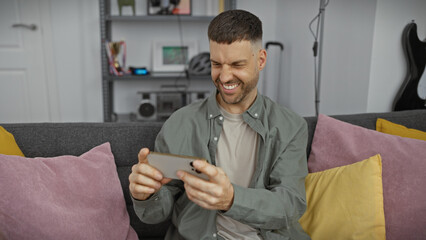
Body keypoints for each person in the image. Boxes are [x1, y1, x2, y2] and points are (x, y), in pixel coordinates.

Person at [129, 9, 311, 240]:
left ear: (261, 59)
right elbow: (157, 212)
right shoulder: (181, 122)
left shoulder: (290, 127)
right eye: (216, 64)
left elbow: (290, 205)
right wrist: (145, 194)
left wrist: (232, 199)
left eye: (237, 65)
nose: (224, 77)